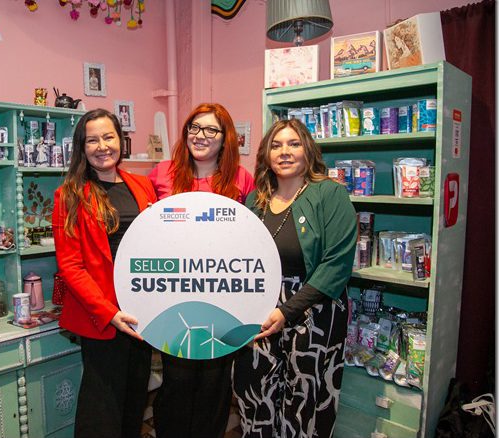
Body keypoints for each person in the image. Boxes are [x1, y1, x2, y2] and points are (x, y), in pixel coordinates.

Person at [232, 118, 357, 438]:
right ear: (266, 155)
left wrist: (286, 311)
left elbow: (337, 263)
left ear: (308, 150)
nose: (284, 152)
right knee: (254, 392)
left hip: (313, 312)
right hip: (262, 310)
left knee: (303, 402)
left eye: (293, 144)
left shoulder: (329, 193)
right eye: (276, 146)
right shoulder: (255, 200)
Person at [148, 103, 254, 438]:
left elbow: (253, 237)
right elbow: (144, 232)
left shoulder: (241, 178)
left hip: (223, 297)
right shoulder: (162, 173)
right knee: (177, 379)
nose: (200, 135)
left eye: (211, 129)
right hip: (173, 297)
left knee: (215, 382)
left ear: (225, 138)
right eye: (194, 127)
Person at [53, 108, 156, 438]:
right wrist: (109, 313)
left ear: (120, 141)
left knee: (133, 403)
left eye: (108, 137)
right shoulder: (69, 195)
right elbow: (71, 266)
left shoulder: (142, 185)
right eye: (92, 140)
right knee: (101, 410)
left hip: (140, 314)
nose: (102, 146)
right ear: (82, 148)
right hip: (104, 317)